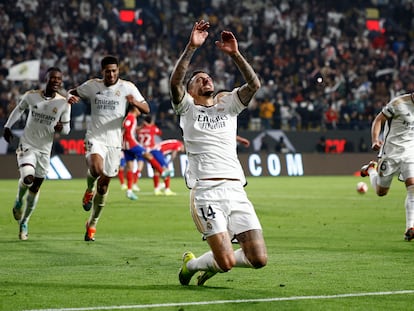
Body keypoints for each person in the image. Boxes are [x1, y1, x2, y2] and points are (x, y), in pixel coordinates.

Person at [170, 20, 268, 286]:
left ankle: (210, 261)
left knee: (258, 259)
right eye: (199, 80)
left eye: (208, 77)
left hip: (236, 190)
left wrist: (235, 54)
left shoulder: (227, 104)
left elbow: (254, 84)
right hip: (207, 191)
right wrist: (191, 47)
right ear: (190, 92)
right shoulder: (187, 109)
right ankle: (191, 265)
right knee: (225, 263)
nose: (205, 79)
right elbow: (175, 81)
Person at [67, 55, 150, 241]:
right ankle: (89, 190)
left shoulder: (127, 87)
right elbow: (72, 91)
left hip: (114, 142)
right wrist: (69, 97)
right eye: (107, 71)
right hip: (95, 137)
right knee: (96, 169)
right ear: (102, 71)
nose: (111, 74)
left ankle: (92, 223)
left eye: (114, 71)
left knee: (104, 187)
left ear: (118, 71)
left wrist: (134, 103)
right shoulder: (92, 86)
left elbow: (146, 108)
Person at [3, 67, 71, 240]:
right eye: (53, 78)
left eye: (59, 79)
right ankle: (18, 201)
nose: (56, 81)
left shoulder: (64, 103)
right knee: (27, 177)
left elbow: (67, 130)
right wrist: (7, 126)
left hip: (44, 150)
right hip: (27, 144)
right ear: (46, 79)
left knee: (35, 187)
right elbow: (19, 109)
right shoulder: (31, 96)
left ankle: (24, 221)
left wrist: (61, 128)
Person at [360, 92, 414, 241]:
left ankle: (410, 228)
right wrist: (375, 140)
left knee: (412, 186)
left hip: (410, 153)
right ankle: (371, 169)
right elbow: (378, 120)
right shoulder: (398, 103)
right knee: (381, 192)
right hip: (391, 152)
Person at [122, 106, 171, 200]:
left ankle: (129, 191)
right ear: (134, 109)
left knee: (130, 168)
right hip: (131, 144)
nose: (140, 111)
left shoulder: (133, 120)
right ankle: (162, 172)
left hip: (125, 146)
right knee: (148, 155)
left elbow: (127, 129)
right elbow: (127, 130)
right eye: (139, 109)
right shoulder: (130, 117)